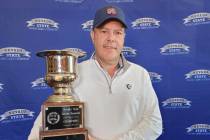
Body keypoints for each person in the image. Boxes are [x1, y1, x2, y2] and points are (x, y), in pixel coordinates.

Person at [28, 5, 162, 140]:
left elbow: (154, 123)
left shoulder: (140, 74)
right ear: (93, 35)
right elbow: (45, 126)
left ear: (123, 37)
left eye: (118, 33)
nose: (111, 38)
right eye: (104, 31)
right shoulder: (73, 74)